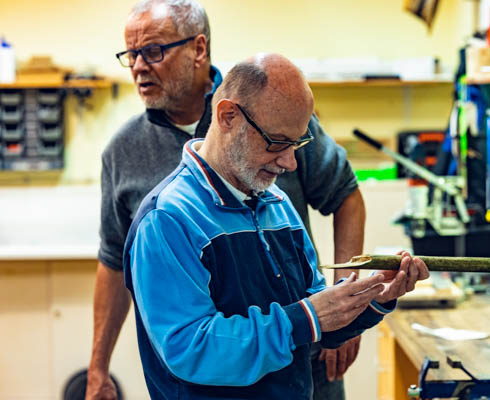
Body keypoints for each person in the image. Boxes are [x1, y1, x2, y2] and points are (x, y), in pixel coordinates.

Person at [87, 1, 368, 399]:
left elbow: (346, 195)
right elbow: (115, 261)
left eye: (152, 51)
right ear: (227, 120)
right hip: (222, 378)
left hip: (307, 360)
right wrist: (98, 368)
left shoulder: (275, 112)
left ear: (198, 48)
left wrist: (346, 301)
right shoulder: (126, 153)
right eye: (130, 55)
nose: (138, 67)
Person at [123, 54, 430, 399]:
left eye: (297, 143)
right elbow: (192, 350)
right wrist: (304, 318)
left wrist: (372, 297)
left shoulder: (277, 205)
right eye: (278, 142)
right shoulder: (168, 219)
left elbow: (315, 320)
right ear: (228, 117)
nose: (290, 162)